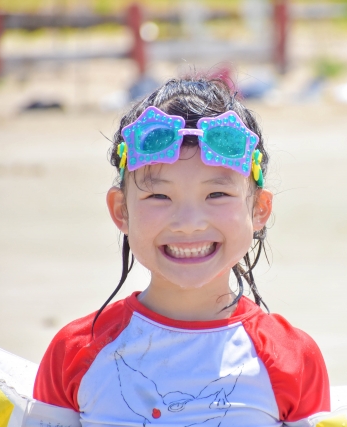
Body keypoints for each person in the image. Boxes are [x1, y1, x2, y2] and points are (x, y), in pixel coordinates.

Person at [33, 76, 330, 427]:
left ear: (259, 210)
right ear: (121, 211)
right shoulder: (75, 352)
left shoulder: (292, 358)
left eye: (216, 195)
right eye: (159, 196)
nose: (188, 223)